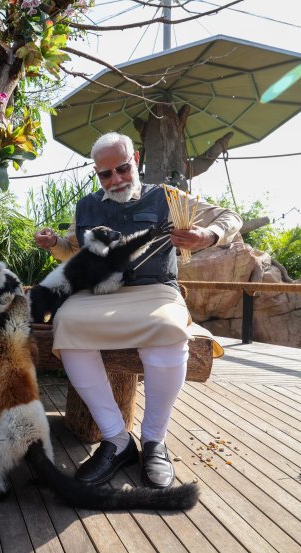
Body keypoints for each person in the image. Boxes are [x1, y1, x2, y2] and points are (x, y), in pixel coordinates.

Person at [34, 132, 242, 489]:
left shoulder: (168, 197)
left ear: (137, 158)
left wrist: (207, 236)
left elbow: (229, 216)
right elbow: (73, 252)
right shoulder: (86, 206)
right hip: (98, 293)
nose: (115, 179)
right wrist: (55, 243)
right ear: (97, 174)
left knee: (167, 328)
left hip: (154, 291)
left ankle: (154, 440)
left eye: (122, 169)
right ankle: (116, 440)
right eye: (106, 174)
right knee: (66, 322)